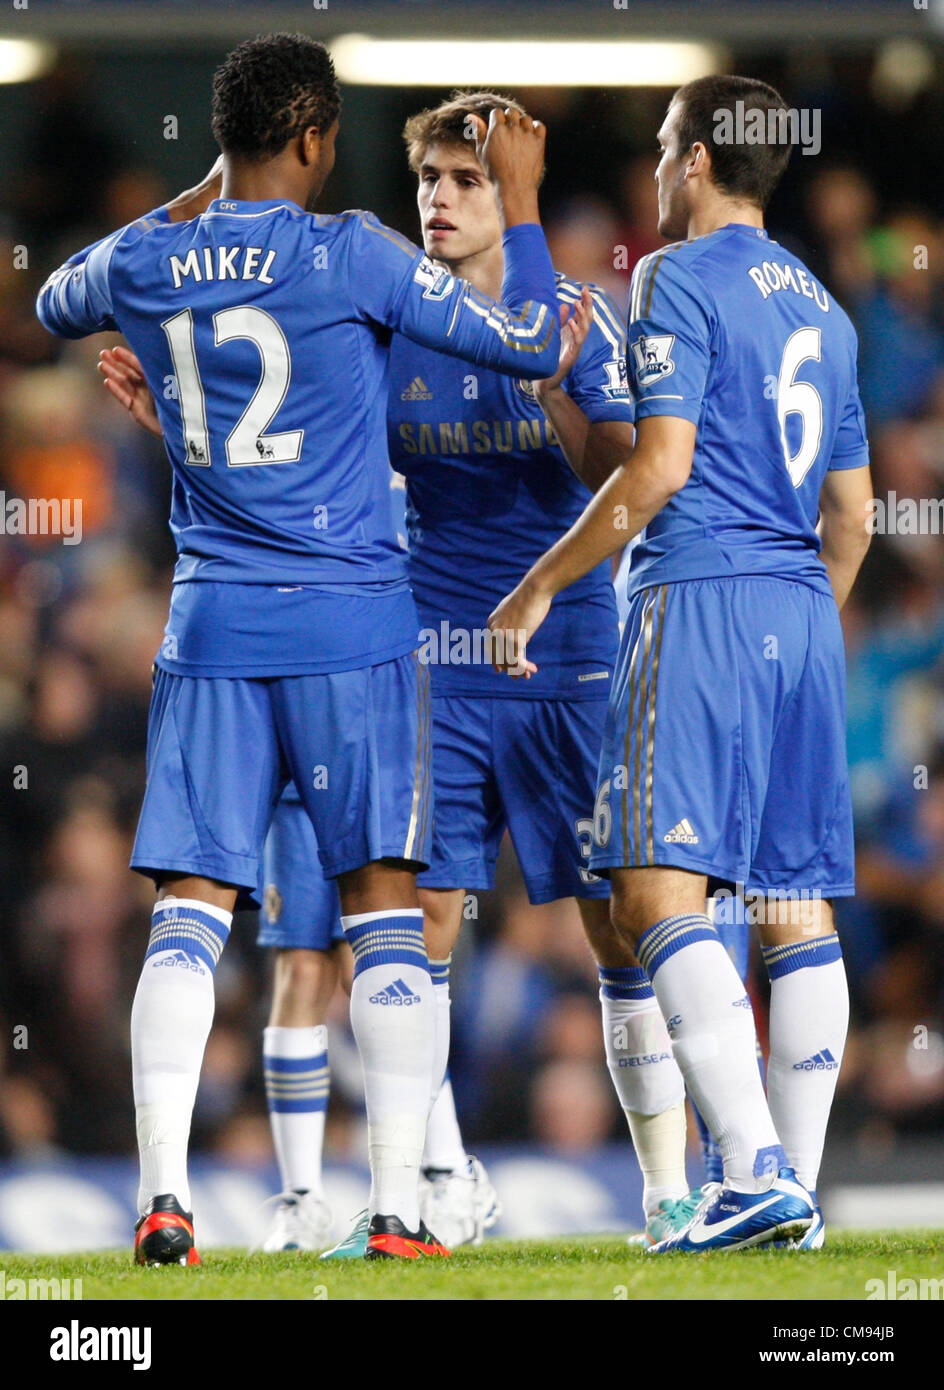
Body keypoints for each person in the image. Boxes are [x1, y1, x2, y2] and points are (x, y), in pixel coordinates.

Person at [97, 88, 708, 1257]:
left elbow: (626, 475)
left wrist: (548, 394)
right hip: (426, 652)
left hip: (566, 653)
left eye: (466, 181)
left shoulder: (581, 314)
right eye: (428, 178)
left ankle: (668, 1189)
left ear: (503, 197)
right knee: (411, 917)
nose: (437, 199)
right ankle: (431, 1179)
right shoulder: (385, 323)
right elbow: (296, 458)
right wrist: (174, 428)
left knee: (617, 924)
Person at [37, 32, 562, 1265]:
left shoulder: (149, 256)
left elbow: (59, 296)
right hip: (351, 626)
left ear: (222, 140)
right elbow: (532, 343)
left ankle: (161, 1196)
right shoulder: (355, 253)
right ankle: (392, 1208)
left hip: (211, 627)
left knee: (189, 912)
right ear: (319, 135)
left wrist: (201, 206)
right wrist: (523, 204)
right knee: (383, 907)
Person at [488, 73, 873, 1252]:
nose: (656, 168)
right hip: (804, 612)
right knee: (791, 902)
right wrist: (792, 618)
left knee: (654, 890)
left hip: (699, 594)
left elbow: (656, 468)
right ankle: (790, 1193)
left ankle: (750, 1165)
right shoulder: (827, 306)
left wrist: (544, 579)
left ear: (697, 160)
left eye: (665, 147)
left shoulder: (671, 275)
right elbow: (852, 517)